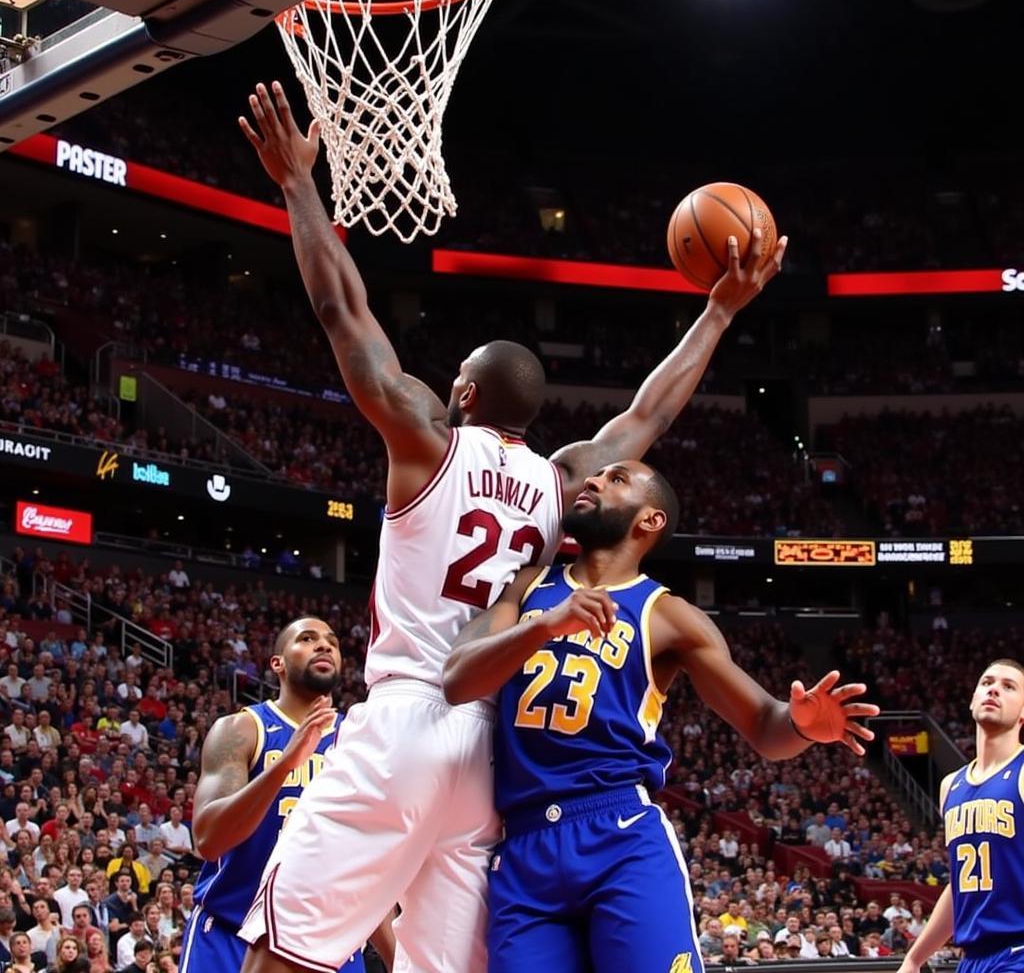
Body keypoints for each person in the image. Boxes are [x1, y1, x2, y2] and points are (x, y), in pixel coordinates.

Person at [236, 80, 787, 973]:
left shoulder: (424, 438)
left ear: (459, 393)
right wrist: (719, 311)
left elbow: (344, 312)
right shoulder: (562, 481)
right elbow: (648, 412)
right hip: (488, 765)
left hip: (409, 716)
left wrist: (299, 184)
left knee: (285, 954)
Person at [442, 459, 877, 972]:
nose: (594, 481)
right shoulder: (530, 585)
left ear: (649, 520)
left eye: (616, 479)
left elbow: (764, 725)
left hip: (618, 833)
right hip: (524, 847)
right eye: (597, 475)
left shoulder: (669, 616)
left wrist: (802, 726)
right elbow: (457, 680)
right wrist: (544, 627)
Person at [186, 619, 392, 973]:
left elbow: (365, 863)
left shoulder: (360, 740)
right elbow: (208, 839)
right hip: (230, 932)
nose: (324, 646)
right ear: (277, 663)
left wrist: (397, 959)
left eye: (332, 642)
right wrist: (284, 765)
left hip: (328, 944)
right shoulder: (243, 729)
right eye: (307, 639)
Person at [899, 658, 1024, 973]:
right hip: (972, 960)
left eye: (1009, 687)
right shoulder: (950, 786)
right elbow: (961, 885)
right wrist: (914, 958)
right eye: (987, 683)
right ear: (972, 700)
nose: (994, 689)